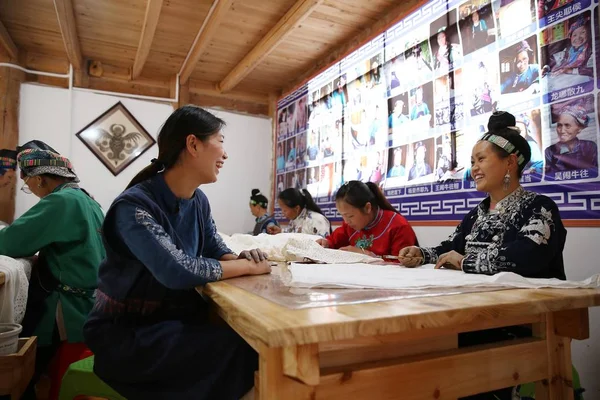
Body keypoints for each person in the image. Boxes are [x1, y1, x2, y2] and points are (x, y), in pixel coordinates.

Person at [83, 106, 271, 400]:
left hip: (173, 324)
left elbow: (214, 247)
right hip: (129, 336)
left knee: (255, 345)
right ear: (193, 144)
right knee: (248, 352)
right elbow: (177, 270)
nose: (225, 154)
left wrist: (244, 258)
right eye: (220, 141)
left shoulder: (198, 200)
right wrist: (247, 269)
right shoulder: (135, 207)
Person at [398, 111, 574, 399]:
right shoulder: (478, 212)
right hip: (476, 317)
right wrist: (421, 254)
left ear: (509, 162)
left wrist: (465, 262)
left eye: (481, 159)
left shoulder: (539, 207)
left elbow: (528, 256)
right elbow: (451, 248)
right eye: (472, 162)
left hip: (520, 326)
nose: (474, 168)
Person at [0, 144, 105, 400]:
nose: (33, 191)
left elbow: (11, 242)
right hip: (88, 304)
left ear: (39, 179)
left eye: (28, 185)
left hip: (67, 307)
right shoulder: (87, 199)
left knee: (29, 375)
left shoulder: (61, 201)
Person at [318, 181, 417, 257]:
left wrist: (366, 255)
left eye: (350, 216)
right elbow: (333, 241)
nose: (346, 221)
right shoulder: (349, 226)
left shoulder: (398, 226)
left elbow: (402, 263)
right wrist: (326, 243)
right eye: (342, 216)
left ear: (367, 208)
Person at [544, 104, 598, 179]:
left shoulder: (589, 147)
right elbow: (550, 177)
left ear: (579, 128)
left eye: (567, 125)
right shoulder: (550, 151)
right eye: (559, 125)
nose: (562, 131)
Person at [541, 15, 593, 81]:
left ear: (588, 33)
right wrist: (546, 68)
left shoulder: (589, 51)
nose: (578, 37)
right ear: (570, 38)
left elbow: (592, 69)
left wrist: (570, 70)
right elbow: (552, 60)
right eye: (574, 35)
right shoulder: (566, 52)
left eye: (582, 32)